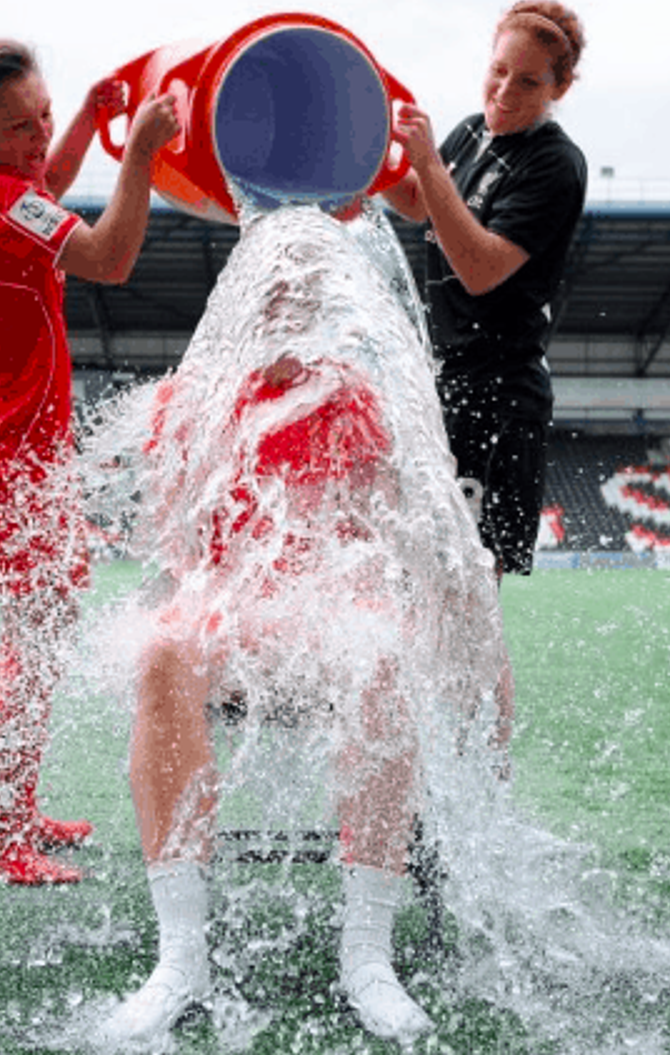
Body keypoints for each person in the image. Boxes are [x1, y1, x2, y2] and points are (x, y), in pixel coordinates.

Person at [89, 208, 508, 1047]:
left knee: (379, 649)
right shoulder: (192, 401)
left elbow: (377, 534)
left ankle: (368, 955)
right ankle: (180, 957)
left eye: (302, 296)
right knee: (167, 644)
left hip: (329, 596)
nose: (285, 308)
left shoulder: (354, 399)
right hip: (233, 604)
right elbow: (177, 542)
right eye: (271, 295)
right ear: (242, 302)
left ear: (326, 306)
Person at [0, 39, 179, 885]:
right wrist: (137, 149)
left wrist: (82, 122)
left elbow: (40, 192)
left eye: (44, 114)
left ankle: (13, 807)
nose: (38, 137)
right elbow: (109, 257)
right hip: (8, 450)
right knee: (33, 639)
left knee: (43, 627)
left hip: (4, 436)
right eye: (20, 126)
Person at [383, 0, 588, 579]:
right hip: (443, 381)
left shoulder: (555, 164)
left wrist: (424, 159)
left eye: (527, 81)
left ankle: (476, 676)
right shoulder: (470, 132)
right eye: (497, 70)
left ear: (560, 88)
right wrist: (366, 153)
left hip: (497, 395)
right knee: (418, 577)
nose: (503, 91)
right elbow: (421, 202)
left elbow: (478, 268)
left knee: (468, 591)